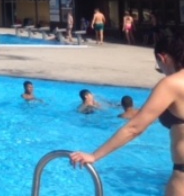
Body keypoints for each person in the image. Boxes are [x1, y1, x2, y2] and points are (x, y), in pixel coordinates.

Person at [70, 33, 184, 195]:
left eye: (159, 67)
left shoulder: (171, 84)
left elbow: (134, 128)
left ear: (162, 57)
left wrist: (94, 156)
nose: (162, 72)